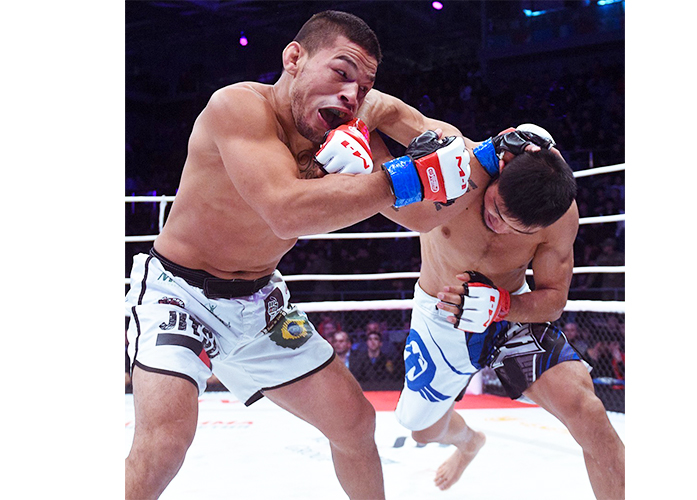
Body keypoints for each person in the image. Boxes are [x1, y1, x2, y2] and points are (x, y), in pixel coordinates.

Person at [124, 10, 473, 499]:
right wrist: (403, 177)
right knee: (165, 444)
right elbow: (285, 212)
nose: (351, 94)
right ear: (294, 58)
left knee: (355, 423)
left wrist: (483, 160)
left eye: (364, 87)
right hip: (179, 294)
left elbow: (422, 216)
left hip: (259, 303)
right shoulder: (237, 107)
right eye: (341, 72)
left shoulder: (347, 125)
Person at [370, 126, 625, 498]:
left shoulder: (557, 216)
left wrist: (503, 306)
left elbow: (554, 300)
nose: (499, 225)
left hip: (509, 316)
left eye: (515, 226)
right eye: (496, 209)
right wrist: (357, 124)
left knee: (589, 414)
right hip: (439, 318)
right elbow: (387, 112)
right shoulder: (460, 163)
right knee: (420, 428)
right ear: (503, 167)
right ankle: (468, 442)